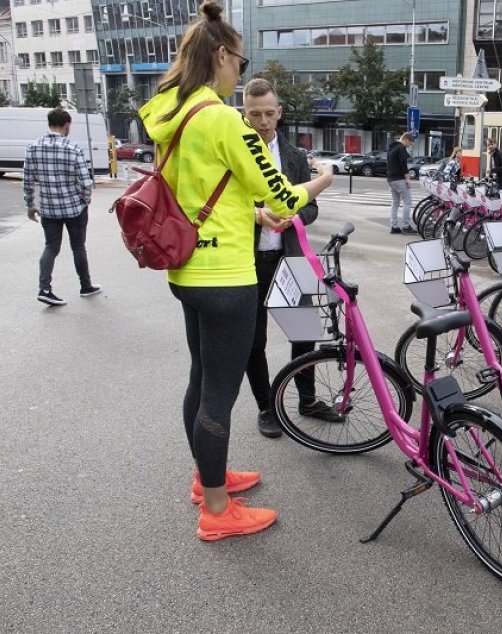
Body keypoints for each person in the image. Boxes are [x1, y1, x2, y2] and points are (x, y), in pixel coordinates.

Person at [139, 0, 331, 541]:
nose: (239, 74)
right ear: (222, 56)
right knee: (219, 391)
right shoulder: (223, 119)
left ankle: (208, 479)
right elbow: (286, 195)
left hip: (187, 271)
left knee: (201, 380)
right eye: (240, 65)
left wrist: (251, 211)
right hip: (227, 275)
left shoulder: (168, 112)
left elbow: (197, 189)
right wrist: (322, 180)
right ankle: (218, 511)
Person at [239, 77, 338, 439]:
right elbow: (226, 207)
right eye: (254, 114)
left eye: (269, 113)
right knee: (254, 341)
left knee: (305, 333)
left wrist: (294, 217)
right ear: (244, 114)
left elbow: (311, 207)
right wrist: (256, 215)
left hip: (291, 256)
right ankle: (267, 407)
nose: (263, 121)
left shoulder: (295, 157)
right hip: (248, 262)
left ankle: (307, 400)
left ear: (279, 112)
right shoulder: (237, 152)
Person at [23, 107, 99, 306]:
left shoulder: (33, 147)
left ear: (50, 124)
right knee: (78, 247)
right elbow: (85, 182)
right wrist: (85, 200)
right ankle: (85, 286)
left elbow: (27, 181)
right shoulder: (72, 148)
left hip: (48, 210)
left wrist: (30, 205)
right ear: (66, 125)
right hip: (74, 208)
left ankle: (45, 289)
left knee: (50, 247)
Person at [387, 132, 414, 234]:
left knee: (395, 203)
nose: (409, 146)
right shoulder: (401, 148)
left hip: (390, 179)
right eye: (410, 143)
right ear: (406, 139)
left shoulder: (392, 147)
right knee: (407, 201)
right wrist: (407, 179)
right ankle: (406, 226)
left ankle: (394, 226)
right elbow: (403, 165)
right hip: (399, 178)